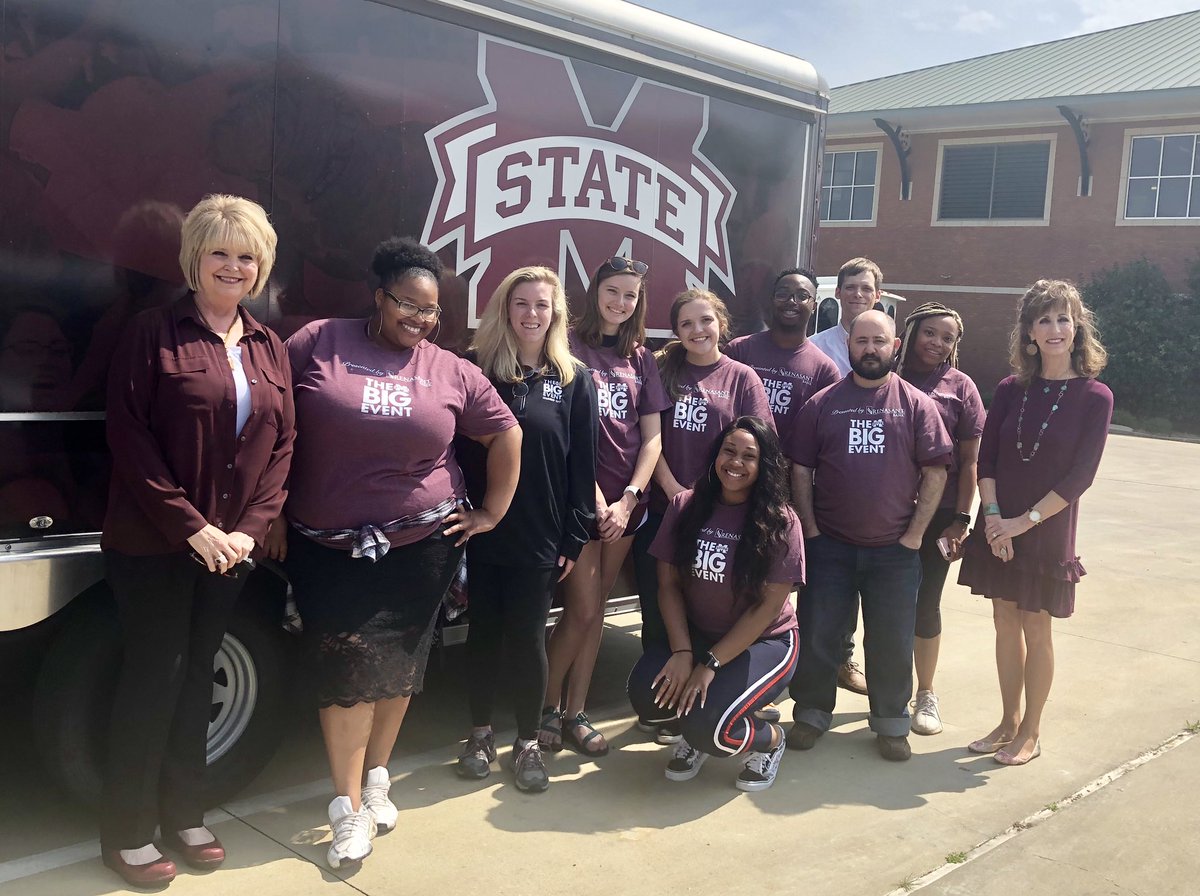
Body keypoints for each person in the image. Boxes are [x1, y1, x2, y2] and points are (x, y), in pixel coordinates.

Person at [267, 237, 520, 868]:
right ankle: (347, 810)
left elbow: (506, 431)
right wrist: (266, 508)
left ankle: (377, 778)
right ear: (379, 298)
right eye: (407, 304)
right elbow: (272, 424)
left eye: (431, 311)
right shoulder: (319, 342)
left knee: (400, 667)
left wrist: (491, 512)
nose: (419, 319)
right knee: (346, 677)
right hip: (328, 548)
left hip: (422, 546)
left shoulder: (449, 368)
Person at [100, 194, 293, 888]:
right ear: (193, 259)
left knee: (196, 683)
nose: (233, 266)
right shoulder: (152, 332)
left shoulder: (269, 345)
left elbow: (283, 446)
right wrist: (195, 527)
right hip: (154, 546)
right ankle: (126, 831)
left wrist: (247, 530)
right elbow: (129, 437)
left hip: (231, 552)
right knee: (155, 680)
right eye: (220, 252)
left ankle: (185, 813)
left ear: (262, 266)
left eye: (247, 256)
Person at [454, 266, 597, 792]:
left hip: (542, 532)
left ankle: (528, 741)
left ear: (556, 313)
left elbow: (583, 465)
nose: (532, 313)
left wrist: (574, 537)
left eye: (542, 304)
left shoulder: (573, 379)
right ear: (504, 309)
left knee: (528, 638)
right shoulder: (475, 369)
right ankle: (479, 734)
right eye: (522, 303)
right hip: (483, 529)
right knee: (483, 634)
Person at [786, 310, 951, 762]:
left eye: (879, 341)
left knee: (891, 640)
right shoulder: (822, 403)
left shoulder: (917, 405)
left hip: (894, 552)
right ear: (849, 345)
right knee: (820, 632)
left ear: (894, 347)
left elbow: (936, 471)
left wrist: (915, 536)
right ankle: (812, 713)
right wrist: (812, 530)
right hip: (831, 547)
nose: (870, 349)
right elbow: (800, 468)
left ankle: (891, 723)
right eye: (861, 341)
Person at [959, 280, 1112, 766]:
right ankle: (1007, 721)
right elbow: (987, 460)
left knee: (1036, 627)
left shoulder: (1095, 397)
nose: (1054, 329)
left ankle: (1031, 730)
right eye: (1043, 320)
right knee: (1005, 622)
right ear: (1028, 331)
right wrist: (993, 519)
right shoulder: (1009, 390)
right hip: (998, 522)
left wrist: (1022, 524)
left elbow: (1080, 476)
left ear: (1077, 326)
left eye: (1063, 318)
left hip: (1045, 528)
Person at [627, 416, 801, 791]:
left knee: (714, 731)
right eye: (729, 450)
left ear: (764, 465)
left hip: (764, 641)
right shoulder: (686, 505)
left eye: (749, 456)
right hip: (701, 637)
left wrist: (710, 664)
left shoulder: (781, 521)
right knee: (647, 693)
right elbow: (668, 585)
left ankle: (768, 739)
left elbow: (769, 607)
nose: (735, 462)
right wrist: (683, 651)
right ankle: (702, 724)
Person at [539, 256, 668, 758]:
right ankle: (545, 707)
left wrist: (629, 498)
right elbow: (564, 433)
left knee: (595, 617)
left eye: (631, 295)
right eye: (613, 291)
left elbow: (652, 439)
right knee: (582, 608)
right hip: (581, 503)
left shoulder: (641, 358)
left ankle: (575, 712)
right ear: (594, 291)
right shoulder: (567, 346)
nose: (620, 302)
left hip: (627, 508)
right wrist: (596, 499)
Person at [632, 289, 774, 744]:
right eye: (687, 324)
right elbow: (646, 437)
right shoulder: (661, 368)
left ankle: (710, 696)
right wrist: (674, 492)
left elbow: (759, 448)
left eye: (706, 321)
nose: (698, 331)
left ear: (721, 324)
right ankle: (664, 705)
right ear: (676, 331)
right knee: (661, 607)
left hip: (722, 516)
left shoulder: (742, 377)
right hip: (666, 508)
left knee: (711, 605)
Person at [726, 266, 837, 723]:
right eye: (784, 293)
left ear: (814, 305)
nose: (792, 301)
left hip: (782, 499)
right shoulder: (740, 351)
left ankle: (760, 691)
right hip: (731, 489)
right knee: (724, 589)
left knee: (769, 596)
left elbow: (822, 443)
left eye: (802, 295)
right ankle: (722, 680)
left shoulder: (823, 368)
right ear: (771, 301)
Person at [894, 302, 985, 736]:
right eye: (930, 333)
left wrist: (962, 519)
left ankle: (925, 692)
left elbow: (970, 461)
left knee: (925, 602)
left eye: (948, 338)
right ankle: (887, 689)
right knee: (882, 602)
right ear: (911, 333)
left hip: (941, 514)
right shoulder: (886, 376)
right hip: (885, 510)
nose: (938, 343)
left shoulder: (961, 386)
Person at [807, 257, 887, 696]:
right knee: (824, 580)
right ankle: (817, 655)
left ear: (878, 294)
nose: (857, 294)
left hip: (871, 481)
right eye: (850, 287)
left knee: (862, 579)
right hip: (824, 477)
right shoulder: (817, 347)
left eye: (866, 287)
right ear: (837, 294)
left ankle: (845, 657)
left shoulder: (890, 347)